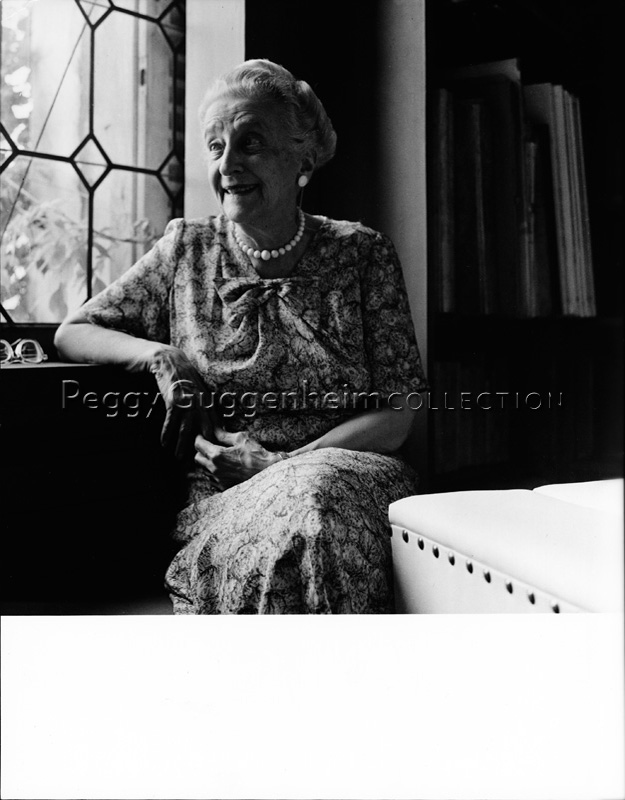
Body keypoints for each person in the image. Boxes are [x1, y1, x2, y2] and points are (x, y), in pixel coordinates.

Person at [54, 59, 428, 614]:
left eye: (250, 142)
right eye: (215, 146)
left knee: (317, 503)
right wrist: (162, 356)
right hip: (228, 495)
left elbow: (399, 412)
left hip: (352, 476)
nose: (227, 164)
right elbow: (74, 331)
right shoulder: (187, 249)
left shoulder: (363, 253)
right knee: (296, 531)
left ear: (304, 159)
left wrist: (286, 464)